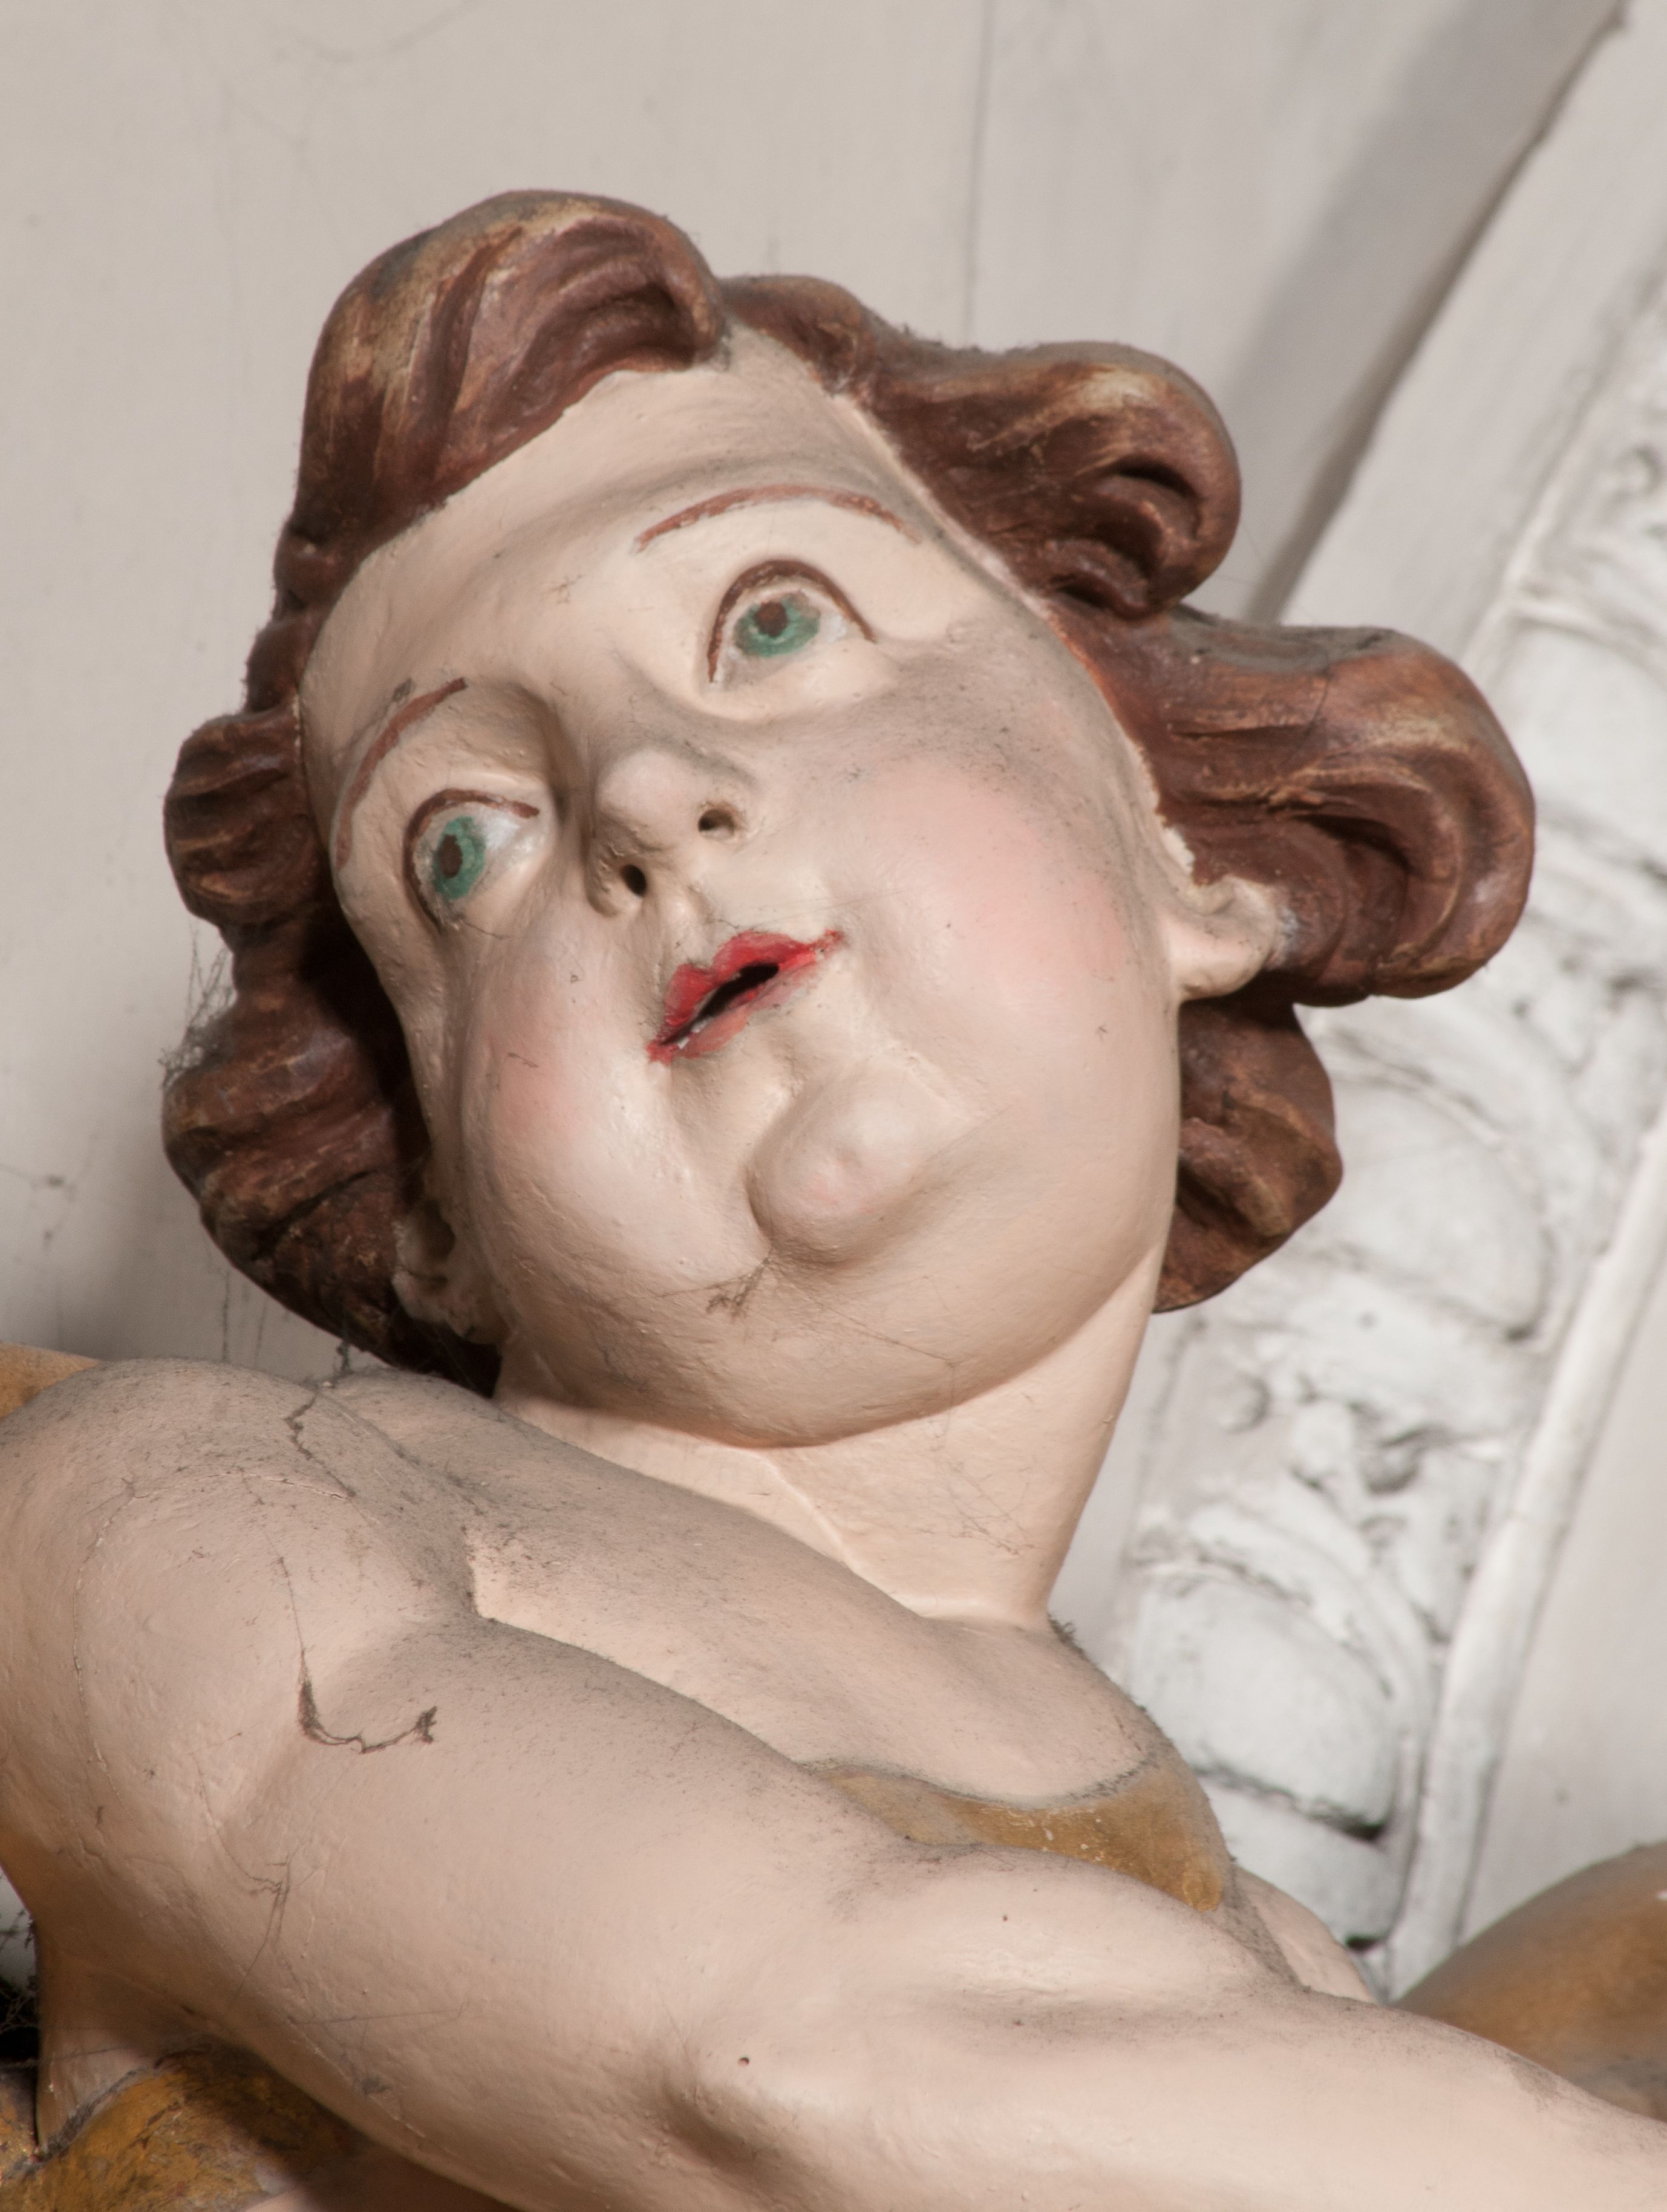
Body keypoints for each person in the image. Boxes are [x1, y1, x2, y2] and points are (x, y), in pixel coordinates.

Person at [1, 190, 1659, 2209]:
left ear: (1186, 844)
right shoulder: (180, 1516)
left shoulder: (1266, 1971)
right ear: (431, 1200)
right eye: (462, 848)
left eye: (772, 623)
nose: (640, 793)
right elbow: (792, 2055)